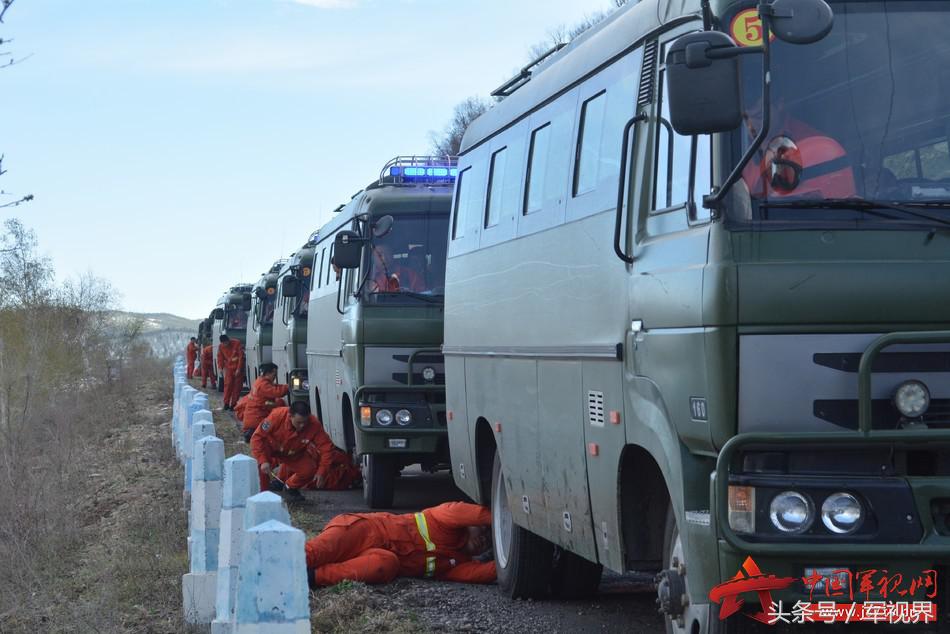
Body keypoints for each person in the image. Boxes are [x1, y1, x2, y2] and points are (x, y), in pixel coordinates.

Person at [304, 501, 495, 587]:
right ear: (469, 524)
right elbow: (475, 513)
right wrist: (501, 522)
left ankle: (311, 578)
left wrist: (521, 561)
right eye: (484, 530)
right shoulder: (446, 516)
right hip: (364, 530)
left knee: (385, 565)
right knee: (313, 554)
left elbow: (484, 573)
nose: (484, 539)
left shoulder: (458, 563)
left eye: (488, 543)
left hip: (377, 555)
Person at [740, 96, 856, 200]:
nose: (750, 126)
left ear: (780, 104)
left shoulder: (813, 145)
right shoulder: (736, 143)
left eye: (759, 116)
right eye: (746, 118)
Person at [250, 401, 360, 499]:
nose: (302, 426)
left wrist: (322, 472)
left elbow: (327, 448)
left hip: (293, 453)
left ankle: (290, 488)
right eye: (298, 423)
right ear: (290, 416)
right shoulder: (277, 416)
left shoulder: (313, 424)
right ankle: (262, 497)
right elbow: (257, 437)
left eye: (304, 422)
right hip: (271, 447)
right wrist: (263, 460)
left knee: (309, 470)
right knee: (262, 468)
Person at [241, 362, 290, 442]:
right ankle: (253, 434)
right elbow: (277, 392)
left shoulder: (260, 381)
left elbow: (275, 387)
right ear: (268, 373)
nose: (275, 377)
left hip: (252, 418)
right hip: (257, 419)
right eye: (274, 375)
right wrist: (288, 386)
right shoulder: (263, 385)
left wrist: (285, 386)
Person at [217, 334, 245, 410]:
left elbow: (241, 357)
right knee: (228, 386)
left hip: (238, 369)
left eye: (226, 342)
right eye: (224, 343)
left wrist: (238, 369)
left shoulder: (237, 343)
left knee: (237, 387)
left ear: (228, 340)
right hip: (229, 368)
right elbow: (220, 357)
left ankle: (233, 404)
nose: (225, 344)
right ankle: (226, 404)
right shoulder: (221, 347)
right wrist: (220, 368)